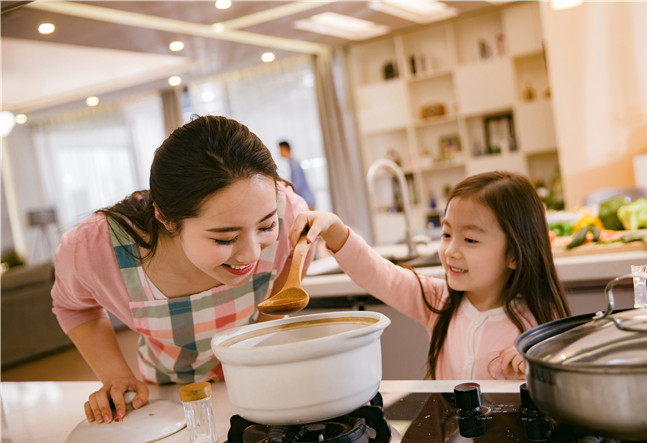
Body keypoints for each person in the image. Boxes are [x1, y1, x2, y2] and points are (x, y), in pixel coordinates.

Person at [51, 115, 313, 424]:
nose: (251, 253)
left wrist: (259, 348)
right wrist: (115, 375)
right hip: (170, 400)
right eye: (225, 238)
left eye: (266, 226)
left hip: (257, 384)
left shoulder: (291, 217)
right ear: (165, 218)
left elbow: (288, 276)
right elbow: (73, 307)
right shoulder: (95, 249)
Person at [290, 171, 570, 380]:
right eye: (447, 234)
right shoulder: (439, 300)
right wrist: (335, 229)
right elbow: (379, 274)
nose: (450, 251)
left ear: (514, 255)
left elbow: (562, 396)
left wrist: (532, 373)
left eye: (470, 240)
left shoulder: (542, 322)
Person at [278, 140, 316, 209]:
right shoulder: (292, 163)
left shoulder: (294, 165)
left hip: (306, 201)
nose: (279, 153)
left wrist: (286, 189)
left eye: (280, 150)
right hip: (306, 200)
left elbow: (297, 185)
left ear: (285, 149)